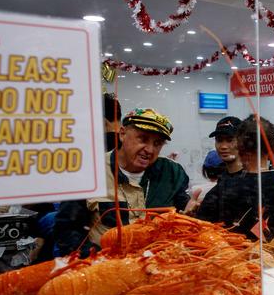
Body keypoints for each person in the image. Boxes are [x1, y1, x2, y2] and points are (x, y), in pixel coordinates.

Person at [54, 108, 190, 256]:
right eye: (143, 139)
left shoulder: (172, 172)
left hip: (159, 263)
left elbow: (184, 213)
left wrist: (194, 211)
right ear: (122, 134)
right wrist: (95, 258)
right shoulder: (89, 170)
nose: (150, 150)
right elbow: (67, 228)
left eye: (157, 143)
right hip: (105, 264)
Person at [198, 116, 274, 239]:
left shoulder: (221, 190)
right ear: (273, 148)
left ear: (240, 147)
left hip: (237, 257)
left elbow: (200, 235)